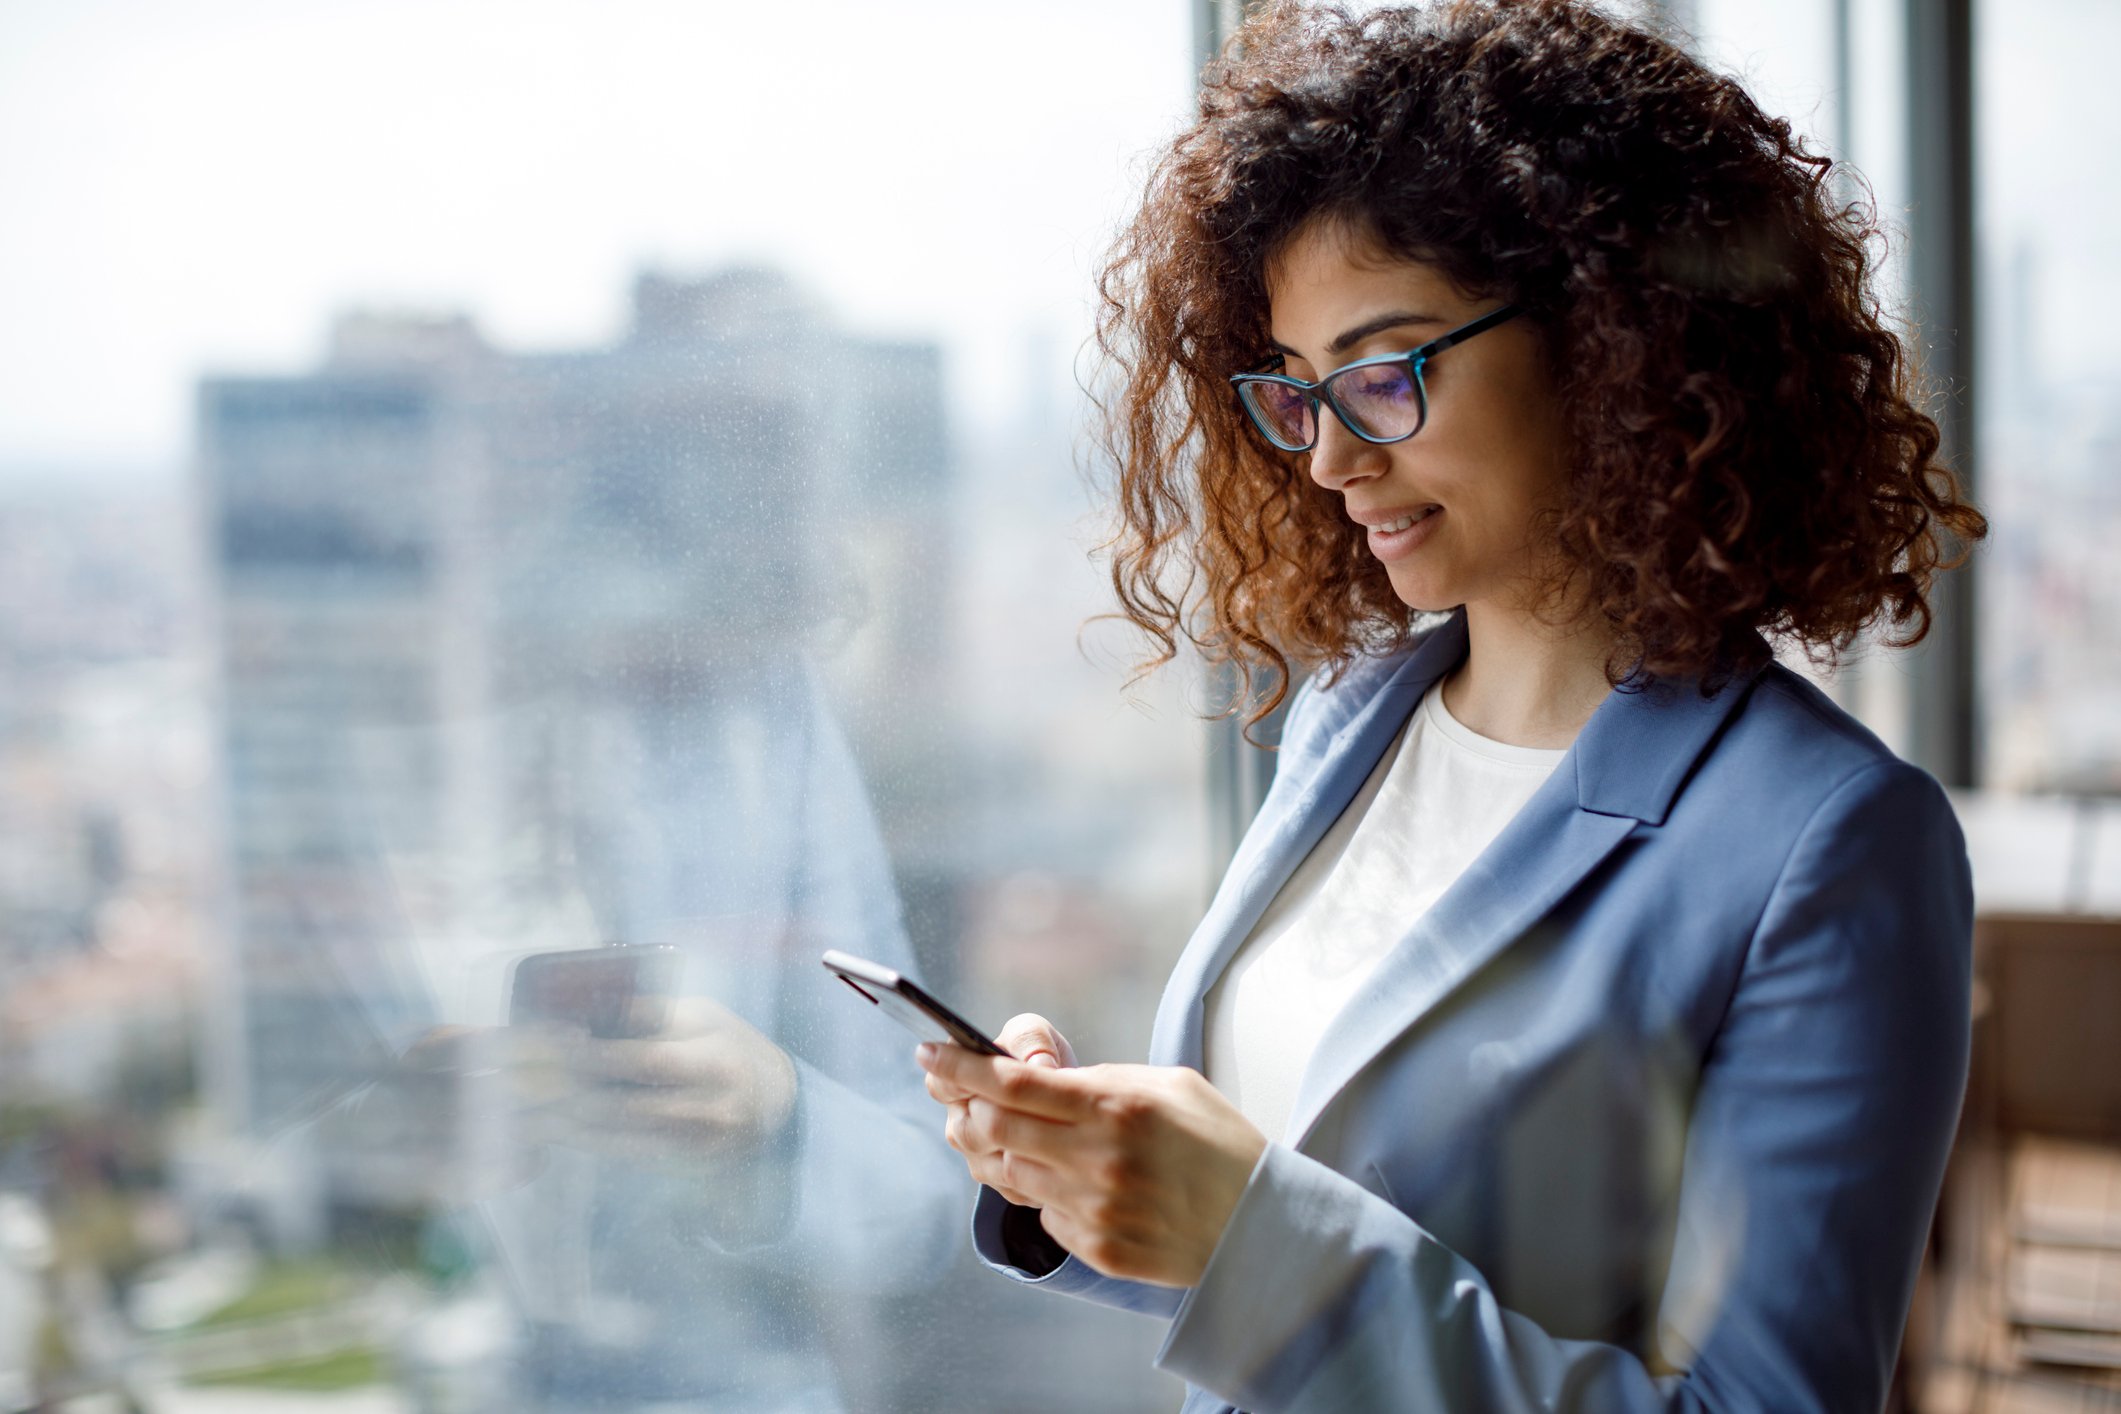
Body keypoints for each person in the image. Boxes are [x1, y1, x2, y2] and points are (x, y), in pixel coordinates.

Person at [915, 1, 1989, 1410]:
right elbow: (1308, 1206)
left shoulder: (1828, 842)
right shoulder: (1348, 720)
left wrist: (1249, 1243)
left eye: (1382, 373)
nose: (1327, 461)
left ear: (1617, 340)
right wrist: (1083, 1166)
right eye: (1295, 397)